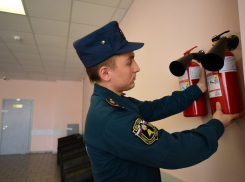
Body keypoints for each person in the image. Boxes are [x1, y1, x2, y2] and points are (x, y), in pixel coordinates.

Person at [73, 21, 244, 182]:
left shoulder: (111, 102)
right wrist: (216, 125)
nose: (137, 67)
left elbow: (156, 108)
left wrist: (197, 89)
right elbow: (173, 151)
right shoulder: (111, 117)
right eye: (129, 62)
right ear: (105, 73)